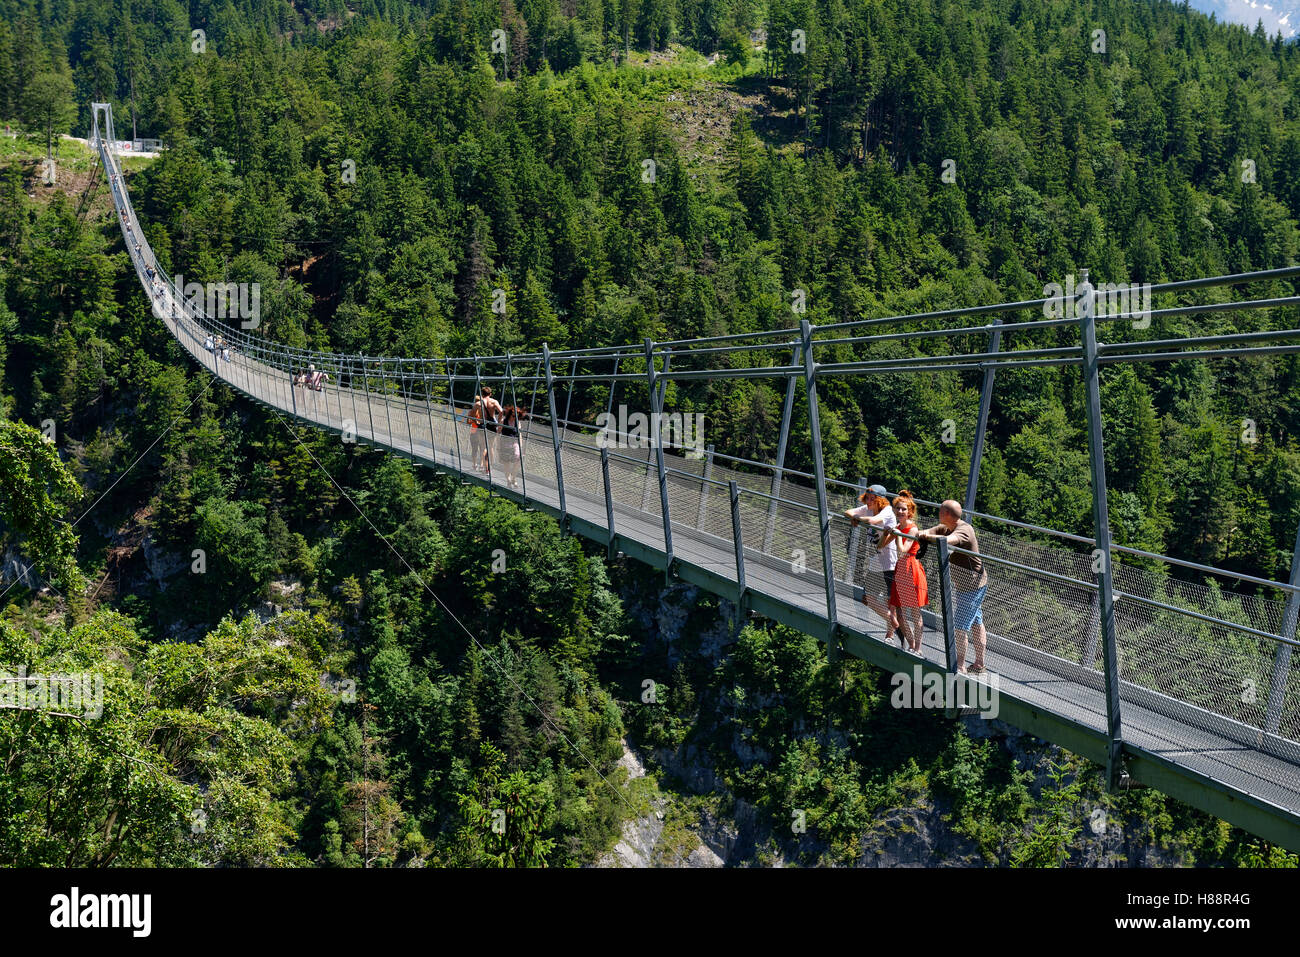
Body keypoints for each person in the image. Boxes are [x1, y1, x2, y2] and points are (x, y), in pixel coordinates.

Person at [919, 500, 989, 675]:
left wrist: (925, 537)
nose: (938, 514)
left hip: (973, 586)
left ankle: (960, 666)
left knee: (959, 627)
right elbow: (928, 532)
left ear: (946, 514)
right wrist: (920, 533)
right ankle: (979, 664)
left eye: (940, 511)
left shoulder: (964, 529)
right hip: (965, 585)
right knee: (976, 621)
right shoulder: (946, 526)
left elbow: (947, 541)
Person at [844, 483, 902, 645]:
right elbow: (848, 512)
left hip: (889, 563)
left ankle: (889, 635)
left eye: (872, 499)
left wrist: (857, 519)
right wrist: (855, 517)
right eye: (867, 498)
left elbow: (874, 520)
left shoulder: (888, 511)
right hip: (875, 562)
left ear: (881, 500)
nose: (868, 501)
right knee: (868, 598)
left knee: (889, 601)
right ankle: (892, 620)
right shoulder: (866, 509)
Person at [884, 491, 929, 655]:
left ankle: (918, 648)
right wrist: (887, 532)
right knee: (900, 613)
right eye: (897, 509)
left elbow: (903, 551)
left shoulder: (912, 529)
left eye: (903, 509)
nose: (900, 512)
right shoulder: (898, 527)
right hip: (901, 569)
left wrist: (896, 535)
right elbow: (880, 546)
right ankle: (911, 644)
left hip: (912, 569)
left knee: (915, 613)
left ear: (910, 511)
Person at [497, 406, 525, 489]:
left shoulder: (518, 422)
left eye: (516, 416)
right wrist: (498, 445)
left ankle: (513, 477)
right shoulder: (504, 421)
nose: (514, 418)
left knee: (518, 459)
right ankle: (508, 481)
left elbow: (519, 434)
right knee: (507, 464)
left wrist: (521, 446)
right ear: (509, 414)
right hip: (504, 444)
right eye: (513, 416)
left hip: (514, 443)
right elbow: (498, 432)